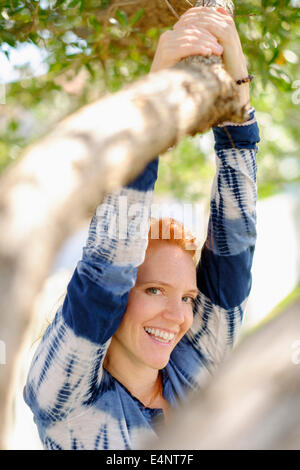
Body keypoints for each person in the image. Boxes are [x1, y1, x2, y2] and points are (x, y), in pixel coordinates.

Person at [23, 6, 260, 450]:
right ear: (117, 303)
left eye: (187, 297)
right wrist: (154, 95)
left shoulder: (195, 365)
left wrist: (237, 95)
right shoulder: (65, 402)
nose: (177, 317)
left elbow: (235, 249)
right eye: (154, 290)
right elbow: (109, 265)